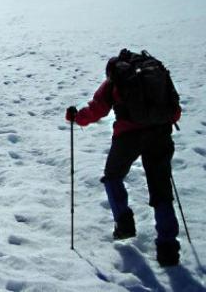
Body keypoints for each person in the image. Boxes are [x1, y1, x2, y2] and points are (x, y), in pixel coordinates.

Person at [65, 52, 182, 267]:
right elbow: (175, 112)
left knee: (112, 176)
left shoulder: (117, 76)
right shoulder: (156, 72)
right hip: (160, 134)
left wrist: (76, 117)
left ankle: (124, 223)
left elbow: (98, 108)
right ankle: (168, 248)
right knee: (161, 190)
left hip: (128, 136)